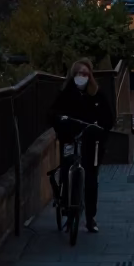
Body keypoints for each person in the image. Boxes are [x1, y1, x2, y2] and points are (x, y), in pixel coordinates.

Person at [49, 60, 113, 233]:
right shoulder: (65, 94)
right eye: (78, 73)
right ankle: (67, 208)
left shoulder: (97, 95)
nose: (81, 77)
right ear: (73, 75)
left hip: (92, 142)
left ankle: (90, 217)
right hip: (70, 138)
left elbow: (109, 118)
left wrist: (101, 129)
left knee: (91, 179)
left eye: (85, 74)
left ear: (90, 75)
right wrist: (61, 123)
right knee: (67, 169)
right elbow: (53, 113)